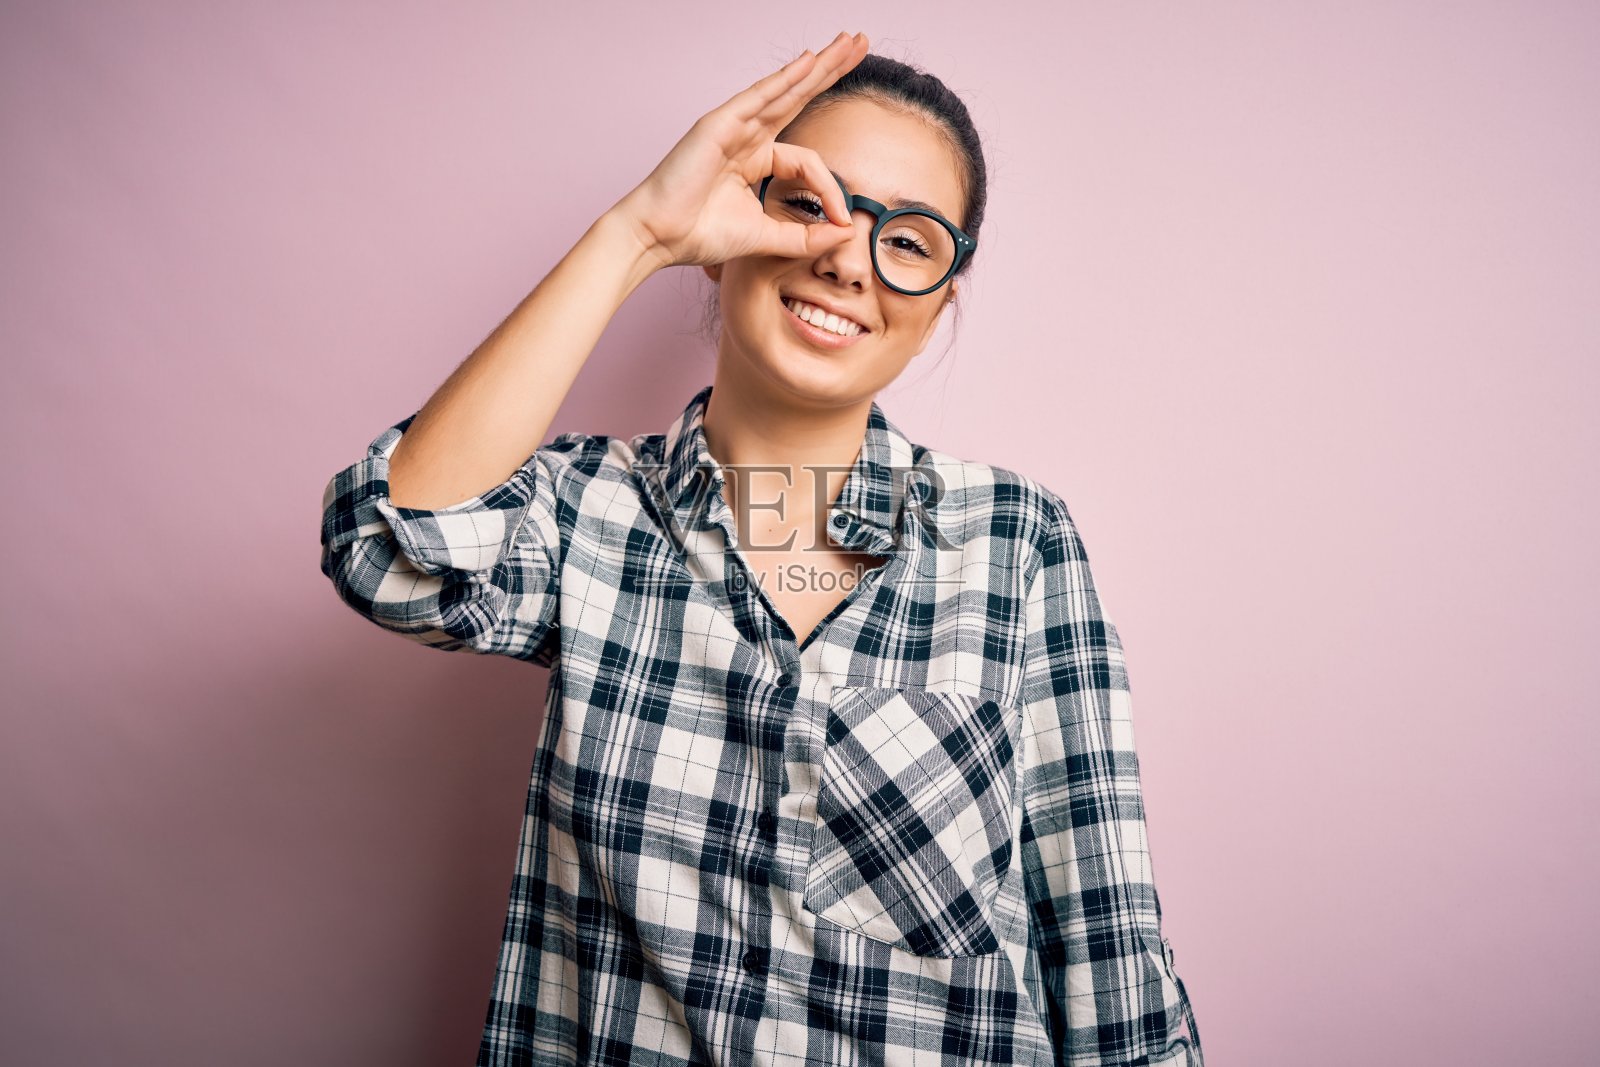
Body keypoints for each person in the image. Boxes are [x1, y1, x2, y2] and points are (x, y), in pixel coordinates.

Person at [319, 30, 1204, 1066]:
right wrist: (637, 234)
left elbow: (1104, 941)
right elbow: (391, 552)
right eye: (808, 205)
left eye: (908, 240)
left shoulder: (1016, 542)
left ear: (938, 304)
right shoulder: (586, 513)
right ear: (737, 220)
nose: (845, 258)